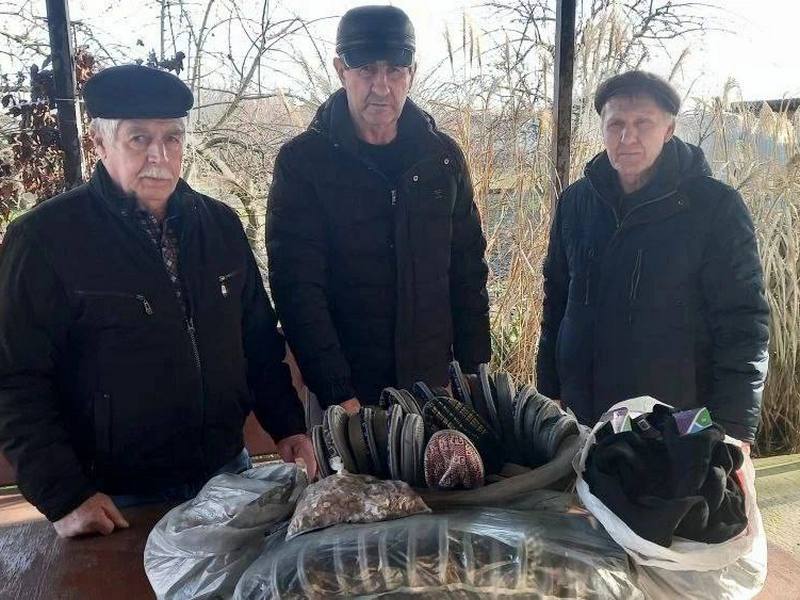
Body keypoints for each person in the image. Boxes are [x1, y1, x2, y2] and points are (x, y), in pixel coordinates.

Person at [0, 64, 315, 538]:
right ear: (99, 142)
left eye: (172, 138)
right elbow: (15, 378)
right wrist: (64, 495)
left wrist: (288, 425)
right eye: (138, 139)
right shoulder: (45, 240)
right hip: (116, 498)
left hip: (226, 475)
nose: (159, 156)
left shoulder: (220, 226)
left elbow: (256, 342)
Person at [266, 5, 490, 414]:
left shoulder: (442, 159)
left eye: (395, 70)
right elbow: (298, 289)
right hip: (348, 395)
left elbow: (468, 272)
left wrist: (474, 375)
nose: (382, 87)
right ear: (341, 70)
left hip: (434, 388)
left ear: (412, 73)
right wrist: (337, 392)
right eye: (367, 70)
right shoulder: (304, 164)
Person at [536, 70, 769, 449]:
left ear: (669, 129)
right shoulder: (576, 202)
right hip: (585, 412)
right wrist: (549, 392)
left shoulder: (714, 208)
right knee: (582, 487)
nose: (627, 138)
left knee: (676, 487)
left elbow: (743, 322)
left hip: (680, 418)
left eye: (642, 123)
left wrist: (734, 427)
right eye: (616, 125)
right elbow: (557, 300)